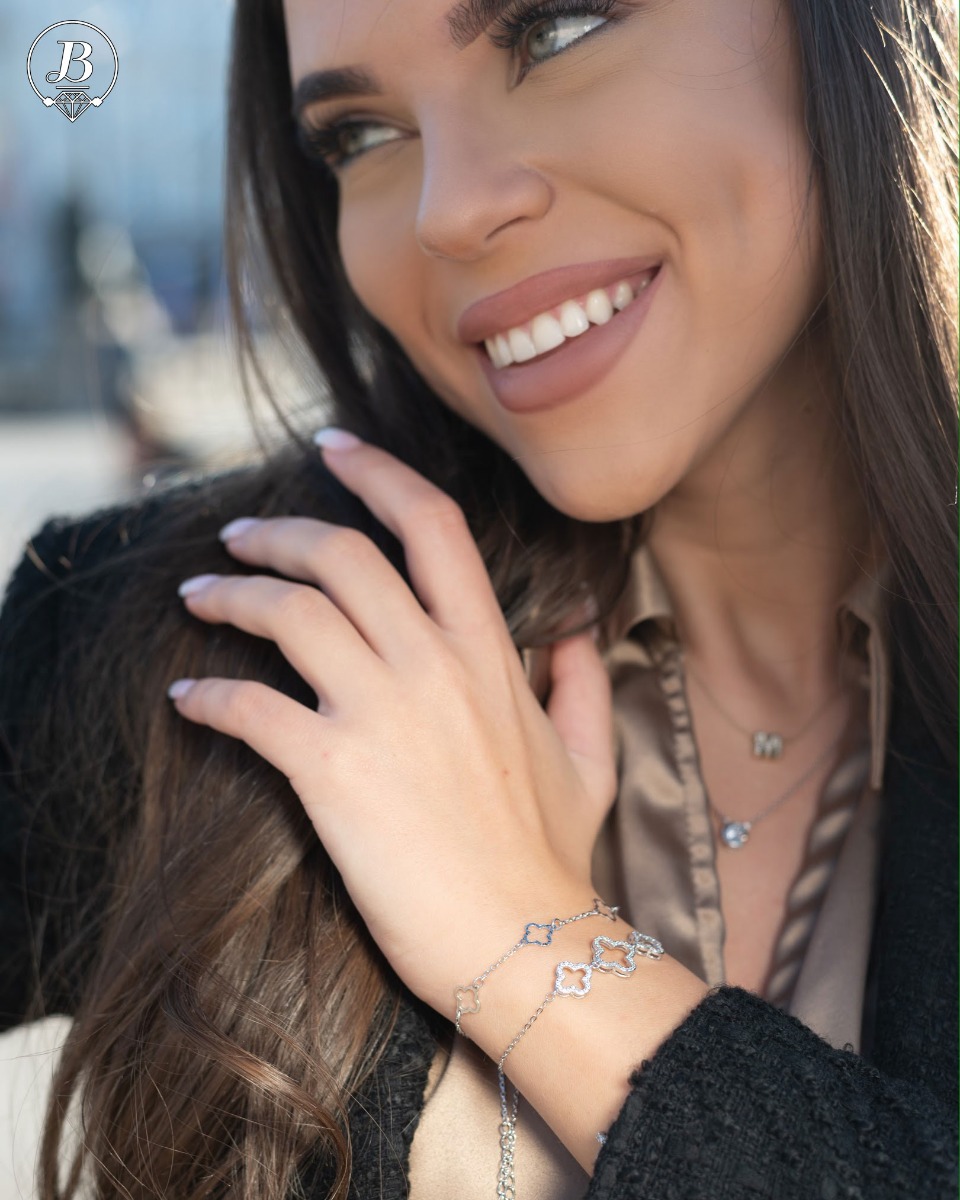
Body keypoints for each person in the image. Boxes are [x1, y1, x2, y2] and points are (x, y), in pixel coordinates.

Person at [0, 0, 956, 1196]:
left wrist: (530, 940)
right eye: (357, 134)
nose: (448, 210)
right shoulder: (221, 650)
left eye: (553, 32)